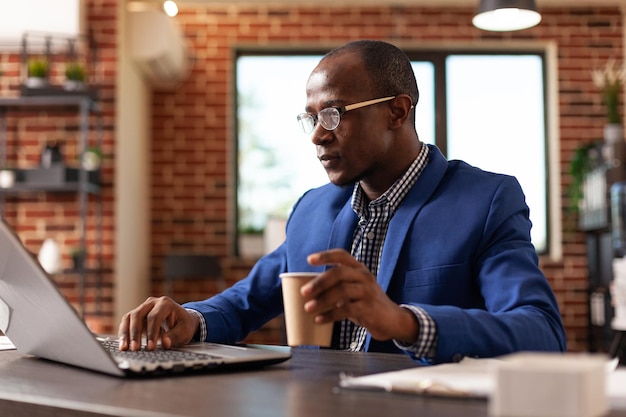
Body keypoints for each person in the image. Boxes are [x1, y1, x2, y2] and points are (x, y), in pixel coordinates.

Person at [118, 40, 567, 364]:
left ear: (397, 111)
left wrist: (405, 322)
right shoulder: (313, 209)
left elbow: (542, 332)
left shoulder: (484, 200)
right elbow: (246, 302)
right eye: (311, 118)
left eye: (333, 114)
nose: (317, 134)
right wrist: (192, 318)